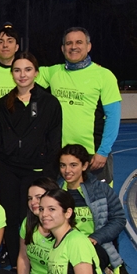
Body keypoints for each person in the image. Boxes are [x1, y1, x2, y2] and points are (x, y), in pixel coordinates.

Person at [0, 52, 62, 267]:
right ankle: (14, 259)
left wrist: (48, 176)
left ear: (36, 73)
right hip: (10, 171)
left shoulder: (49, 103)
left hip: (36, 172)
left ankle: (36, 261)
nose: (22, 75)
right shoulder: (4, 104)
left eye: (28, 70)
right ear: (12, 74)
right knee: (11, 218)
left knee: (34, 217)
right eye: (17, 70)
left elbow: (54, 140)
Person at [44, 27, 121, 184]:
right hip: (61, 157)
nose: (73, 47)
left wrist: (103, 152)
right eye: (69, 43)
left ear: (88, 46)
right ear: (63, 48)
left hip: (93, 157)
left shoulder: (104, 76)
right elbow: (20, 74)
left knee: (98, 206)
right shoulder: (53, 73)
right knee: (64, 206)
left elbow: (113, 117)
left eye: (79, 42)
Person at [57, 144, 130, 274]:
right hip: (65, 246)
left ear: (84, 166)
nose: (67, 171)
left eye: (73, 165)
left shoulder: (101, 190)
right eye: (63, 165)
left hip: (95, 245)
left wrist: (96, 238)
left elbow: (119, 219)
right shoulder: (55, 192)